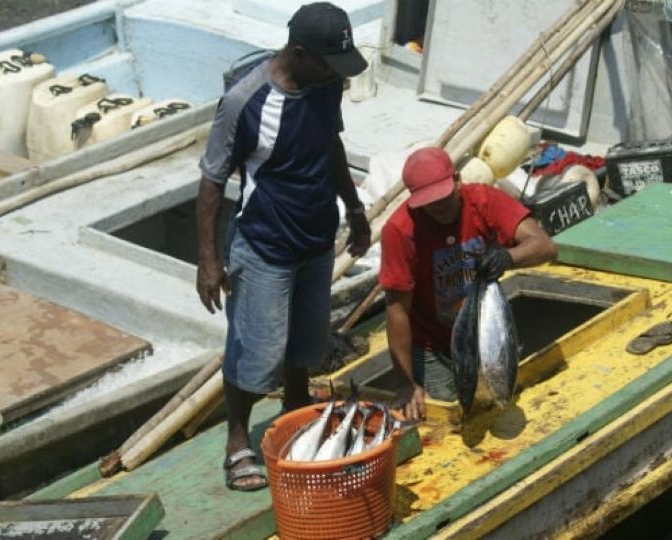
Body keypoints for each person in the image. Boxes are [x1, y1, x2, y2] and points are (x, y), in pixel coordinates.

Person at [195, 2, 371, 492]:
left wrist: (355, 210)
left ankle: (298, 409)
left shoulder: (326, 82)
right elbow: (211, 182)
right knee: (257, 353)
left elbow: (330, 143)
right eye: (328, 62)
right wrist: (208, 262)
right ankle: (236, 441)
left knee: (308, 342)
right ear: (298, 53)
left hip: (317, 240)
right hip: (265, 243)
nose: (337, 74)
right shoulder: (244, 101)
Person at [379, 147, 557, 421]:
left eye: (444, 197)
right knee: (456, 415)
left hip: (483, 331)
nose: (439, 206)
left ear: (458, 180)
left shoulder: (484, 200)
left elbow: (544, 246)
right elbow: (397, 310)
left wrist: (507, 258)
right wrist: (406, 382)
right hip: (431, 343)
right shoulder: (399, 230)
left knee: (496, 400)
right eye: (429, 202)